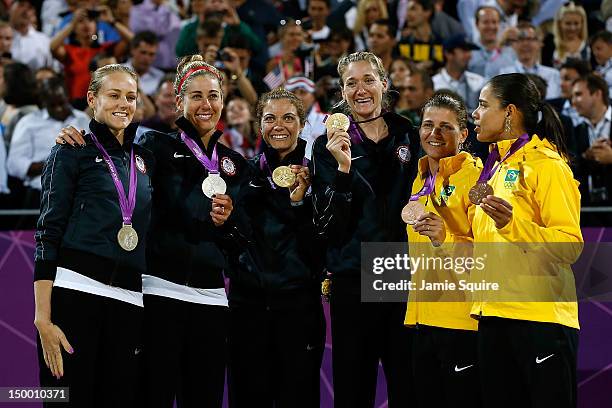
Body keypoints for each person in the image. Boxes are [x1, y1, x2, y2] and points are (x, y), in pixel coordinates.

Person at [58, 56, 246, 407]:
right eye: (196, 96)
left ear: (223, 99)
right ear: (179, 101)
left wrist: (230, 224)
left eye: (214, 95)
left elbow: (242, 242)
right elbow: (114, 164)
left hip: (212, 298)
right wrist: (78, 134)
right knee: (150, 397)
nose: (206, 105)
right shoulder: (153, 150)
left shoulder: (237, 165)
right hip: (159, 293)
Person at [34, 64, 154, 407]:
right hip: (75, 294)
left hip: (130, 301)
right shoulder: (71, 150)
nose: (124, 103)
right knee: (64, 401)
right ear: (92, 99)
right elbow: (47, 232)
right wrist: (43, 317)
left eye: (130, 96)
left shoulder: (145, 159)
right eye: (113, 95)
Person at [310, 51, 420, 407]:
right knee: (354, 390)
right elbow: (328, 225)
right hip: (354, 277)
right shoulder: (328, 147)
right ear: (342, 91)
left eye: (368, 80)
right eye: (351, 83)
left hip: (402, 273)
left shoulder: (410, 134)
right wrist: (342, 170)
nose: (360, 89)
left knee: (408, 385)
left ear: (384, 85)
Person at [470, 72, 582, 408]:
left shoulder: (548, 165)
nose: (475, 113)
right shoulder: (495, 166)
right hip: (493, 315)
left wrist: (515, 225)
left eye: (483, 104)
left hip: (539, 319)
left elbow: (569, 244)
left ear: (509, 113)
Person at [226, 87, 326, 408]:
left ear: (301, 124)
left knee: (298, 397)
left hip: (298, 307)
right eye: (270, 118)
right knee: (248, 396)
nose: (278, 125)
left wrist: (300, 205)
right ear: (259, 125)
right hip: (249, 306)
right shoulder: (244, 173)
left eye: (288, 118)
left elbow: (321, 247)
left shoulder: (318, 176)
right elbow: (233, 238)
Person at [405, 93, 483, 408]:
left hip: (462, 322)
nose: (434, 134)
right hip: (423, 320)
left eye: (445, 127)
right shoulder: (419, 179)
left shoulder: (477, 177)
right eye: (428, 125)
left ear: (464, 134)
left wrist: (446, 238)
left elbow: (491, 254)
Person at [6, 76, 90, 209]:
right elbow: (14, 164)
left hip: (80, 194)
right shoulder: (28, 123)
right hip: (42, 194)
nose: (59, 109)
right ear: (44, 103)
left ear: (68, 97)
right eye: (53, 105)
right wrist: (54, 165)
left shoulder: (83, 119)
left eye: (62, 103)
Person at [50, 7, 134, 108]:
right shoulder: (69, 50)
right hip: (76, 104)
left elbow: (133, 41)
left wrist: (112, 21)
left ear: (96, 26)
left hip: (104, 103)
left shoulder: (105, 49)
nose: (86, 24)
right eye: (80, 21)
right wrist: (71, 24)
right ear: (74, 28)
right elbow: (52, 47)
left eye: (90, 20)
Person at [551, 1, 590, 68]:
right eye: (568, 23)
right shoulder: (550, 44)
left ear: (582, 24)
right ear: (560, 23)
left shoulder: (589, 45)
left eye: (576, 23)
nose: (572, 28)